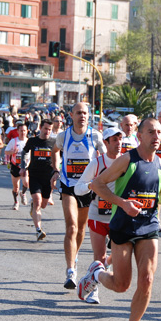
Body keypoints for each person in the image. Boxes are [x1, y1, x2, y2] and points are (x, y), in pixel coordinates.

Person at [77, 117, 161, 321]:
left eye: (159, 132)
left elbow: (158, 192)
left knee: (147, 279)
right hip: (122, 225)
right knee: (122, 284)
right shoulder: (126, 160)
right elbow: (97, 185)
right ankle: (97, 274)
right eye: (151, 132)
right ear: (139, 136)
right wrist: (122, 203)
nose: (156, 136)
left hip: (149, 226)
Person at [52, 102, 106, 289]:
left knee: (82, 229)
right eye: (78, 113)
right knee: (72, 226)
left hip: (87, 188)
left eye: (85, 113)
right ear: (71, 115)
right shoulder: (63, 136)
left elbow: (104, 158)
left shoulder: (95, 136)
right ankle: (70, 271)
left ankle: (74, 257)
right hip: (68, 186)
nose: (82, 116)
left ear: (88, 115)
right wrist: (56, 170)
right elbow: (55, 152)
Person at [75, 127, 124, 304]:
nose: (119, 144)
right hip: (97, 216)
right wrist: (91, 186)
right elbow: (78, 188)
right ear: (106, 142)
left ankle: (91, 276)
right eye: (115, 140)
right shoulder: (97, 163)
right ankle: (94, 291)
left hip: (118, 216)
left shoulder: (126, 162)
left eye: (120, 140)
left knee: (121, 255)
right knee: (100, 257)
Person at [21, 120, 58, 240]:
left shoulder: (54, 142)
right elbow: (24, 152)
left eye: (50, 129)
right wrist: (23, 167)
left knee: (43, 204)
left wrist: (56, 169)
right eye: (45, 128)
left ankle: (33, 208)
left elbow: (59, 157)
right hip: (35, 175)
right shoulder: (32, 141)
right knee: (37, 200)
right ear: (40, 128)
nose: (47, 131)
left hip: (48, 176)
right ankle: (38, 230)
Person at [4, 122, 29, 210]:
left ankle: (23, 194)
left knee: (26, 183)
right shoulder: (14, 141)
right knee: (16, 187)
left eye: (24, 131)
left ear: (27, 131)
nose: (23, 132)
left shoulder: (29, 141)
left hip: (25, 166)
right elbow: (6, 151)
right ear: (18, 131)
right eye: (21, 131)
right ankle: (16, 202)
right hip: (15, 165)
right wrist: (12, 152)